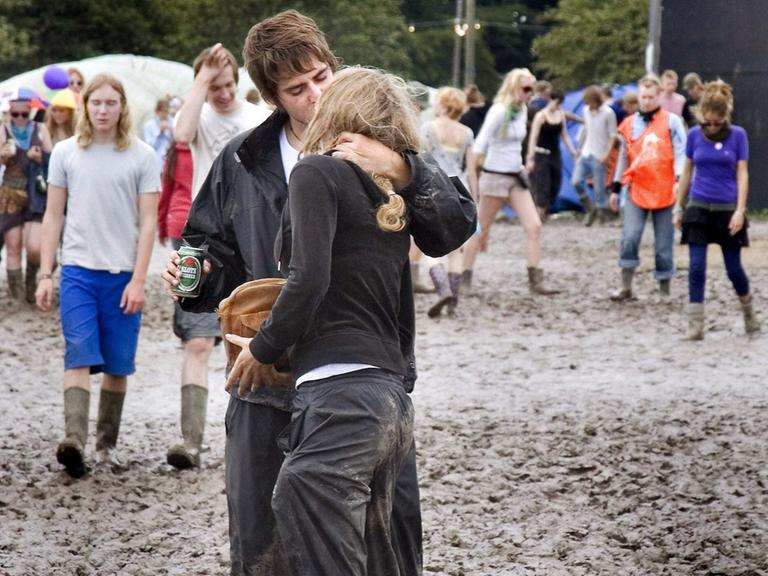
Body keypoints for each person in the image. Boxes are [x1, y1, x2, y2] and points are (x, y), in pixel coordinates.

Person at [160, 10, 475, 575]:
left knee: (387, 544)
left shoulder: (388, 143)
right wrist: (193, 274)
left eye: (322, 76)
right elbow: (207, 251)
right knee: (263, 544)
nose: (315, 94)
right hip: (265, 379)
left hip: (362, 377)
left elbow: (453, 228)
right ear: (274, 97)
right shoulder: (241, 159)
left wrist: (403, 170)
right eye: (296, 88)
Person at [223, 64, 433, 576]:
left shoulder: (316, 172)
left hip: (341, 391)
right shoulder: (386, 191)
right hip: (390, 399)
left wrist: (262, 348)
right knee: (385, 556)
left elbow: (308, 280)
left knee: (301, 496)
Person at [35, 73, 159, 478]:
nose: (103, 110)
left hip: (122, 275)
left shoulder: (141, 156)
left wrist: (139, 280)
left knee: (117, 366)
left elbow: (147, 223)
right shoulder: (67, 153)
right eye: (96, 103)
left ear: (123, 107)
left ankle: (107, 445)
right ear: (84, 106)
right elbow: (53, 215)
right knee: (78, 352)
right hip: (77, 273)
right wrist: (45, 273)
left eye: (111, 103)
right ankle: (74, 440)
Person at [165, 44, 270, 470]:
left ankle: (244, 437)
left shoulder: (256, 118)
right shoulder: (199, 115)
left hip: (249, 239)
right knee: (195, 341)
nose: (224, 93)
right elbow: (180, 134)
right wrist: (201, 83)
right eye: (216, 85)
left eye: (229, 84)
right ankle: (191, 442)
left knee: (242, 339)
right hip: (203, 237)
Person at [673, 80, 760, 339]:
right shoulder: (693, 136)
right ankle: (695, 326)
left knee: (734, 270)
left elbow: (742, 173)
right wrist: (679, 207)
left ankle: (749, 312)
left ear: (725, 116)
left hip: (727, 209)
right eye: (707, 122)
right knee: (696, 268)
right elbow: (687, 171)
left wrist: (740, 210)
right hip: (698, 207)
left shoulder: (738, 136)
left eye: (717, 122)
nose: (711, 127)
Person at [460, 68, 557, 295]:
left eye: (531, 89)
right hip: (494, 176)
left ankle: (535, 280)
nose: (529, 93)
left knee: (534, 226)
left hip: (516, 175)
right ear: (513, 87)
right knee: (480, 230)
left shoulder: (522, 110)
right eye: (525, 89)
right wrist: (472, 182)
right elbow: (479, 145)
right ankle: (464, 278)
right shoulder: (499, 111)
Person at [609, 74, 687, 300]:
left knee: (663, 245)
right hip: (637, 189)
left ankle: (664, 291)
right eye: (643, 97)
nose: (646, 101)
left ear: (659, 96)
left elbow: (682, 153)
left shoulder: (672, 122)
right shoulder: (629, 123)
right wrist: (616, 188)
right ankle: (626, 286)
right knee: (630, 237)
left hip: (666, 191)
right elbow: (623, 157)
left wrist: (679, 181)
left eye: (651, 97)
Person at [420, 86, 479, 317]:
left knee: (429, 248)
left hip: (435, 188)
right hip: (459, 189)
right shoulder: (467, 132)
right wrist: (474, 199)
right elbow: (472, 171)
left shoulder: (428, 128)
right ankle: (453, 304)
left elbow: (421, 159)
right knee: (457, 249)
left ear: (444, 105)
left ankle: (442, 290)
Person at [0, 97, 52, 302]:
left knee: (34, 247)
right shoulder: (3, 130)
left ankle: (31, 281)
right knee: (13, 244)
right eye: (15, 114)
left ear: (30, 111)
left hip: (35, 193)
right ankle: (18, 296)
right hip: (10, 193)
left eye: (24, 113)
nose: (20, 118)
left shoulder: (40, 129)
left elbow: (53, 159)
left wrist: (41, 158)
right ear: (10, 111)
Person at [526, 88, 577, 221]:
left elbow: (565, 135)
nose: (558, 105)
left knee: (556, 182)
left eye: (560, 103)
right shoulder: (541, 116)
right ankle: (540, 214)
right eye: (556, 102)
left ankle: (545, 209)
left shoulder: (560, 115)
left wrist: (572, 150)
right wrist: (530, 156)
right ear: (551, 100)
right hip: (541, 153)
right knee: (543, 184)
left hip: (555, 153)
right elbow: (534, 137)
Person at [571, 85, 617, 226]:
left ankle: (603, 215)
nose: (590, 104)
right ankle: (589, 208)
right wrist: (579, 148)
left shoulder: (608, 113)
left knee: (599, 188)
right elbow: (586, 130)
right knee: (576, 181)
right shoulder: (585, 111)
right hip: (586, 152)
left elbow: (612, 136)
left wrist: (607, 155)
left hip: (599, 154)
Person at [143, 98, 174, 173]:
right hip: (157, 162)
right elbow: (150, 146)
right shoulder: (149, 125)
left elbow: (177, 141)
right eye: (163, 112)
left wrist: (171, 130)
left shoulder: (173, 122)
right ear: (157, 111)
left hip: (172, 161)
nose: (166, 115)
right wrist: (159, 133)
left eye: (167, 112)